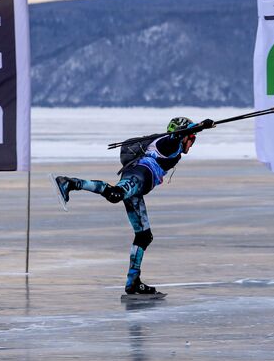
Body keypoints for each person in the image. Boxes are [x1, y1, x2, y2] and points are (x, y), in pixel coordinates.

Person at [52, 115, 216, 297]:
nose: (192, 143)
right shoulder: (169, 143)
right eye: (191, 139)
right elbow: (177, 135)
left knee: (144, 236)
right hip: (139, 175)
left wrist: (195, 129)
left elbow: (179, 134)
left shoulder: (168, 143)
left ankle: (133, 282)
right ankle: (69, 183)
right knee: (115, 195)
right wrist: (200, 126)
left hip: (140, 181)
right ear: (184, 135)